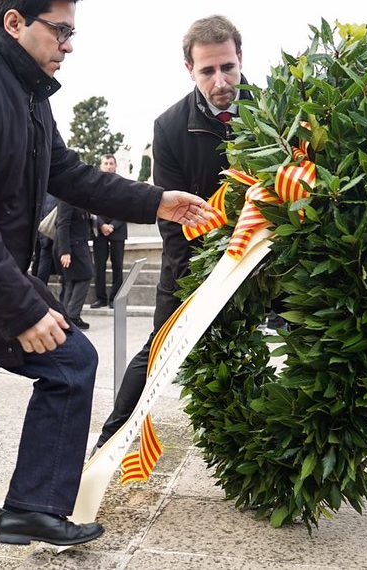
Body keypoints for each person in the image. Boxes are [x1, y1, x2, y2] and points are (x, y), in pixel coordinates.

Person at [0, 2, 212, 567]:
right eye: (62, 31)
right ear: (14, 22)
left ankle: (31, 506)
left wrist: (156, 202)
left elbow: (69, 174)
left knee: (72, 363)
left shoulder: (27, 92)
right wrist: (22, 311)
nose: (69, 44)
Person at [94, 15, 249, 450]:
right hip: (195, 257)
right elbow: (171, 218)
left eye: (228, 67)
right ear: (189, 69)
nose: (221, 81)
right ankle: (109, 444)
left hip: (267, 254)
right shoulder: (169, 126)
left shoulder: (274, 110)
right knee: (159, 346)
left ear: (241, 58)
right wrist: (193, 281)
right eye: (207, 71)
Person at [90, 154, 127, 308]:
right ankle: (101, 298)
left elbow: (127, 207)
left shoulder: (123, 184)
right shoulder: (94, 184)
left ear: (115, 166)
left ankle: (114, 299)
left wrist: (112, 226)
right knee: (99, 266)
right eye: (106, 163)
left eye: (111, 163)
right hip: (100, 231)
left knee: (118, 266)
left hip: (117, 230)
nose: (109, 166)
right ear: (101, 166)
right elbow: (90, 206)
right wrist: (102, 225)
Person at [55, 199, 93, 329]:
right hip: (72, 246)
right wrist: (65, 251)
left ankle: (67, 317)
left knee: (71, 281)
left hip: (78, 244)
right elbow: (62, 224)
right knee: (85, 276)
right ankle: (72, 315)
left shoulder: (77, 198)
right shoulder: (66, 199)